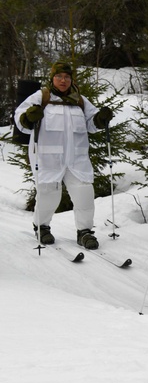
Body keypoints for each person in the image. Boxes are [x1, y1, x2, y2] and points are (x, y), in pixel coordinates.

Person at [13, 62, 113, 250]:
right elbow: (20, 117)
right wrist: (27, 118)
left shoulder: (80, 100)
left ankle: (85, 232)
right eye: (59, 76)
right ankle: (42, 227)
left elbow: (91, 123)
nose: (63, 80)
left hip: (77, 157)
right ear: (52, 78)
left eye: (67, 77)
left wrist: (100, 119)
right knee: (48, 194)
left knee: (84, 194)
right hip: (48, 157)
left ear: (71, 80)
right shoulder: (41, 96)